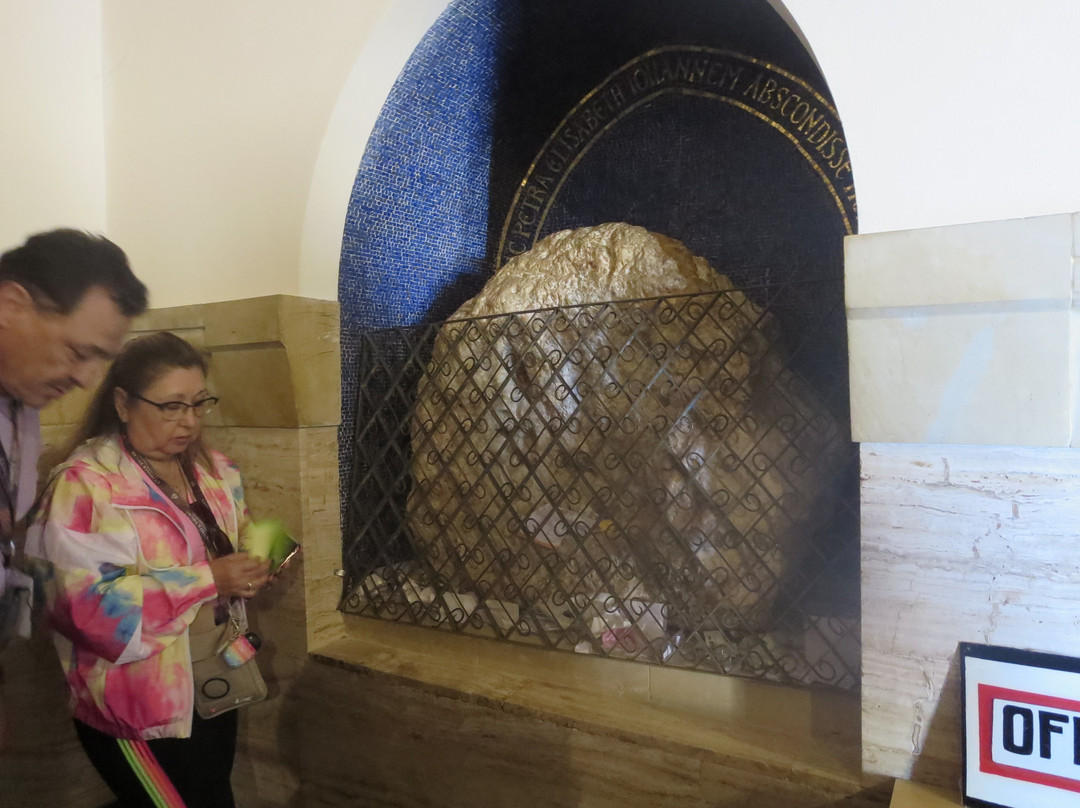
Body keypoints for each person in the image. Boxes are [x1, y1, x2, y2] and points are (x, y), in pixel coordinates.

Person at [25, 331, 271, 808]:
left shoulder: (214, 470)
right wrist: (210, 579)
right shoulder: (86, 487)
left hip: (212, 679)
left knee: (213, 793)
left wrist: (256, 560)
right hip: (135, 707)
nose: (189, 422)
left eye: (200, 404)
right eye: (171, 406)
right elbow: (83, 610)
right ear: (123, 403)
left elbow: (238, 532)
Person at [0, 228, 147, 745]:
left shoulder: (22, 401)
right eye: (77, 351)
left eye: (100, 359)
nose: (87, 379)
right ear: (11, 304)